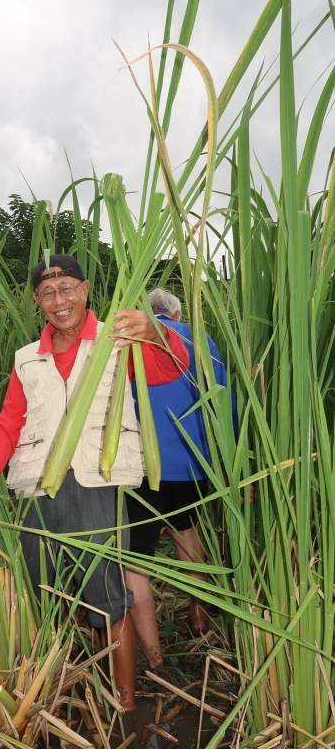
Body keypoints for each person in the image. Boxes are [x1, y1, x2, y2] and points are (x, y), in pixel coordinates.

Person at [0, 256, 189, 711]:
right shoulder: (27, 359)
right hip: (38, 489)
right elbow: (10, 419)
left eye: (68, 288)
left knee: (112, 597)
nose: (60, 300)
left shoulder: (118, 339)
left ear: (86, 289)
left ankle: (126, 705)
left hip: (97, 485)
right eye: (49, 293)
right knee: (51, 590)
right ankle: (73, 684)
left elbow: (171, 368)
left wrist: (155, 333)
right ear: (37, 301)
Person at [125, 288, 230, 672]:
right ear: (176, 312)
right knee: (186, 532)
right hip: (192, 463)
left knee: (136, 559)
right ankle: (198, 615)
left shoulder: (129, 340)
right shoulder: (199, 337)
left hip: (142, 466)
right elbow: (222, 399)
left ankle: (154, 660)